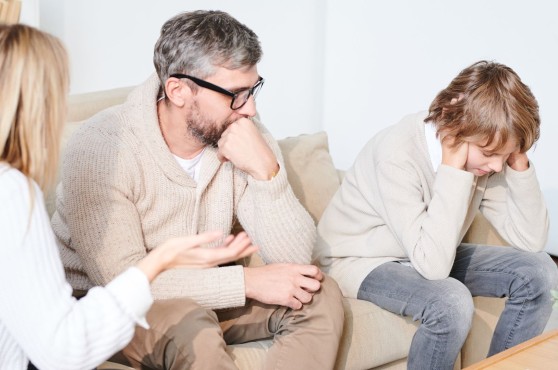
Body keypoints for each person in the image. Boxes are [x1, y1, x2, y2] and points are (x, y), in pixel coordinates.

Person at [51, 10, 344, 370]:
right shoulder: (102, 149)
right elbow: (123, 283)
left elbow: (296, 260)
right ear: (178, 91)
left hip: (207, 294)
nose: (250, 109)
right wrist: (245, 281)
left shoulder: (243, 134)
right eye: (236, 94)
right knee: (191, 323)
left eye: (253, 90)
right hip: (108, 309)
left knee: (317, 292)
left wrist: (267, 172)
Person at [0, 23, 258, 370]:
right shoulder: (12, 192)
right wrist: (159, 261)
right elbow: (63, 351)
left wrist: (270, 175)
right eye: (59, 93)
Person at [314, 60, 558, 370]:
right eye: (489, 154)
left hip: (425, 252)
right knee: (451, 301)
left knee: (540, 272)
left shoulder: (482, 156)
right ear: (454, 127)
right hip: (359, 261)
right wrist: (452, 171)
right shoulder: (396, 155)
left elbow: (531, 239)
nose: (497, 167)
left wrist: (519, 164)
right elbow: (434, 268)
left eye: (504, 155)